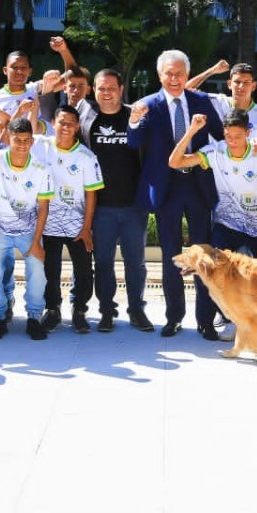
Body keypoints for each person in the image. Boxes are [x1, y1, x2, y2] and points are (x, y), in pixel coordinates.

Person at [127, 49, 225, 338]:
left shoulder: (202, 102)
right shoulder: (147, 105)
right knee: (172, 256)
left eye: (179, 73)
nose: (174, 78)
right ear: (160, 75)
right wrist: (133, 121)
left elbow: (220, 136)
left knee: (203, 258)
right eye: (168, 73)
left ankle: (205, 321)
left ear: (186, 75)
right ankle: (173, 318)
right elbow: (134, 142)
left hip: (198, 186)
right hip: (166, 189)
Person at [169, 108, 257, 341]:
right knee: (214, 269)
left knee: (254, 278)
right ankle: (226, 319)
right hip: (226, 224)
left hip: (256, 227)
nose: (233, 142)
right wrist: (192, 131)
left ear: (248, 133)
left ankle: (256, 322)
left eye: (238, 136)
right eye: (228, 136)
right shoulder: (215, 152)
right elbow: (175, 161)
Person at [84, 68, 153, 333]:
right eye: (101, 88)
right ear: (94, 90)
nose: (106, 93)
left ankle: (136, 309)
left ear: (121, 89)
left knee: (135, 263)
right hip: (101, 208)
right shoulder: (87, 118)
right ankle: (106, 312)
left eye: (111, 88)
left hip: (133, 206)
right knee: (102, 263)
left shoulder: (135, 117)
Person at [0, 116, 53, 341]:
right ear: (8, 139)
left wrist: (37, 242)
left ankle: (34, 317)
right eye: (17, 140)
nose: (21, 145)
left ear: (32, 142)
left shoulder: (40, 168)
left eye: (26, 140)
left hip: (28, 230)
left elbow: (44, 207)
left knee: (37, 270)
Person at [32, 105, 104, 335]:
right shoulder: (40, 146)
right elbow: (18, 134)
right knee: (49, 270)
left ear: (77, 127)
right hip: (47, 222)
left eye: (71, 123)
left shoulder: (86, 157)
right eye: (61, 122)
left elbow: (92, 193)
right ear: (53, 123)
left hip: (76, 225)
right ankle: (52, 310)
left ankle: (80, 311)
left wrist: (86, 228)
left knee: (83, 271)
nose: (65, 127)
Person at [188, 59, 257, 137]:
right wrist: (211, 71)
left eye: (246, 82)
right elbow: (183, 91)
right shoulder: (217, 102)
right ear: (229, 84)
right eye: (237, 82)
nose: (241, 86)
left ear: (253, 86)